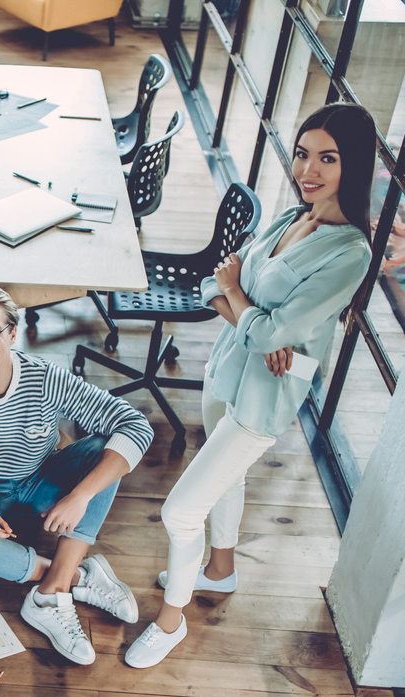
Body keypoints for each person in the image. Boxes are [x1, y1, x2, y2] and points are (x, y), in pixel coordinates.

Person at [127, 103, 376, 668]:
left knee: (179, 512)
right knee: (227, 478)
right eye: (303, 153)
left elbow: (250, 307)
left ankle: (171, 621)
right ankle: (220, 568)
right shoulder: (292, 217)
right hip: (225, 369)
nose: (308, 169)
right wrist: (251, 314)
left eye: (327, 159)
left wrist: (246, 306)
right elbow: (219, 283)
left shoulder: (350, 253)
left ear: (353, 165)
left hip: (264, 397)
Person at [0, 286, 154, 665]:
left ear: (13, 333)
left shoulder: (45, 378)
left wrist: (79, 496)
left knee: (102, 451)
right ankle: (77, 577)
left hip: (47, 479)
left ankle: (51, 593)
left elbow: (134, 425)